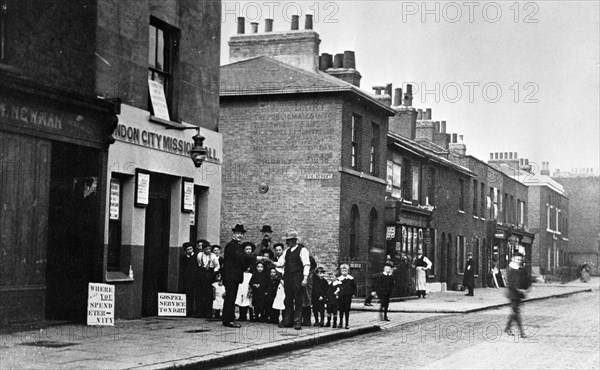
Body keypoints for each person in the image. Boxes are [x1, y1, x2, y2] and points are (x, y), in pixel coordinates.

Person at [222, 224, 264, 328]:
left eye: (241, 234)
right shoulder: (231, 246)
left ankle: (228, 318)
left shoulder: (237, 246)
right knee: (230, 298)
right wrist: (255, 258)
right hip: (231, 276)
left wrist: (248, 263)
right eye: (238, 233)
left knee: (231, 297)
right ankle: (228, 320)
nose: (240, 235)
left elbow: (242, 261)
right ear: (233, 234)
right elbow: (240, 257)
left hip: (233, 276)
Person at [273, 230, 311, 330]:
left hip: (298, 277)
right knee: (288, 299)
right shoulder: (286, 252)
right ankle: (287, 320)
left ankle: (297, 321)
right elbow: (280, 263)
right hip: (288, 277)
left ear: (294, 240)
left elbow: (306, 265)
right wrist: (269, 261)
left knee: (298, 299)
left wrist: (305, 278)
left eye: (289, 240)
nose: (287, 242)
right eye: (287, 240)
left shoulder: (303, 250)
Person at [504, 252, 529, 338]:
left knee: (514, 312)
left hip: (518, 294)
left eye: (520, 260)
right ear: (513, 259)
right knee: (516, 312)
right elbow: (511, 283)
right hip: (513, 294)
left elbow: (525, 279)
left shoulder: (520, 269)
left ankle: (507, 328)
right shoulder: (510, 269)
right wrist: (520, 290)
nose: (519, 261)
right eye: (518, 259)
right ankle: (522, 332)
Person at [197, 240, 220, 318]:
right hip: (202, 273)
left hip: (210, 274)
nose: (208, 250)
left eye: (209, 249)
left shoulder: (213, 256)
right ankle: (200, 312)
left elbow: (217, 266)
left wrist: (213, 271)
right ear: (203, 249)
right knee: (201, 293)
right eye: (206, 249)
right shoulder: (200, 255)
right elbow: (199, 263)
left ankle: (208, 313)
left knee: (209, 294)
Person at [236, 242, 256, 321]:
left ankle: (251, 315)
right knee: (242, 294)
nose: (248, 251)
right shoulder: (242, 258)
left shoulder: (253, 258)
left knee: (249, 295)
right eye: (247, 249)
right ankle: (242, 315)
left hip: (250, 276)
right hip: (243, 276)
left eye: (250, 249)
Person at [180, 242, 198, 317]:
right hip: (188, 279)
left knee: (195, 295)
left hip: (196, 278)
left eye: (191, 249)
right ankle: (189, 311)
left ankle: (195, 311)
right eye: (188, 249)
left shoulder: (197, 256)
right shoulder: (184, 258)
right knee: (189, 295)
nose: (190, 251)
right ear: (185, 250)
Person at [336, 264, 357, 329]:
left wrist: (353, 293)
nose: (344, 272)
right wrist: (337, 293)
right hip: (341, 296)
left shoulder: (350, 279)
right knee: (341, 309)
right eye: (343, 271)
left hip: (348, 296)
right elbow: (337, 287)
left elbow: (354, 287)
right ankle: (340, 322)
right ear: (341, 271)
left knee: (347, 310)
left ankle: (347, 323)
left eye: (346, 271)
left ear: (348, 271)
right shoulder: (339, 279)